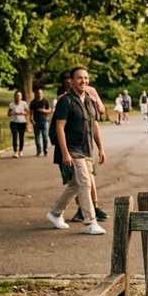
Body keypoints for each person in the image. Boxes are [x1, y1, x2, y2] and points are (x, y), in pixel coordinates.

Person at [46, 66, 107, 235]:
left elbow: (94, 125)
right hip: (72, 149)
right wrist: (65, 153)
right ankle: (90, 222)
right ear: (71, 81)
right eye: (79, 78)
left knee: (74, 184)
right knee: (85, 183)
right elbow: (59, 127)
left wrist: (101, 148)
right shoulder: (65, 101)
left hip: (87, 148)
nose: (83, 81)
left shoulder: (89, 99)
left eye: (86, 78)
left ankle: (55, 213)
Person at [29, 88, 51, 157]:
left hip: (44, 121)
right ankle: (38, 151)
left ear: (42, 94)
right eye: (38, 93)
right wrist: (31, 119)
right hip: (36, 122)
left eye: (40, 93)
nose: (39, 94)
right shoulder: (33, 102)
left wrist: (43, 111)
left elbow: (49, 110)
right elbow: (31, 113)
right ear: (36, 94)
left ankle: (45, 151)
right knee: (37, 137)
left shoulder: (45, 101)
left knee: (45, 137)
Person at [8, 91, 29, 157]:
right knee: (14, 136)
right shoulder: (11, 104)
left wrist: (22, 113)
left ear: (21, 97)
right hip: (13, 122)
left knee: (21, 137)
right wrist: (13, 113)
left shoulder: (24, 103)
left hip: (22, 122)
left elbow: (27, 112)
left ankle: (20, 150)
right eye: (16, 95)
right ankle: (15, 151)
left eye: (19, 96)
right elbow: (8, 114)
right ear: (14, 96)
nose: (18, 97)